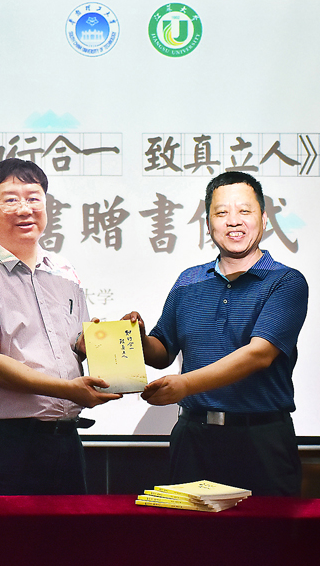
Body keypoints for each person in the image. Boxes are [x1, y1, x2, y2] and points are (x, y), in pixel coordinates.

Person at [124, 171, 308, 496]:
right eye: (221, 213)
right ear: (208, 224)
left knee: (269, 529)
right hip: (193, 439)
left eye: (244, 211)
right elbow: (162, 350)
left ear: (264, 218)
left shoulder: (286, 282)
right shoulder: (188, 281)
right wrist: (138, 339)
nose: (233, 221)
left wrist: (184, 384)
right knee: (190, 529)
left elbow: (259, 354)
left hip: (262, 439)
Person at [0, 157, 121, 495]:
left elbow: (75, 342)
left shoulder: (63, 270)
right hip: (2, 443)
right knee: (1, 530)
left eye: (34, 198)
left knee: (68, 529)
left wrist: (102, 342)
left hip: (63, 439)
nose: (25, 209)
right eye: (11, 199)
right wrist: (68, 390)